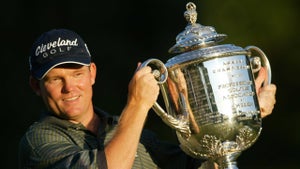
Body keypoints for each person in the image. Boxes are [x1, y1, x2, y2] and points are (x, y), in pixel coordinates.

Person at [18, 28, 277, 169]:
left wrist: (241, 111)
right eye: (55, 79)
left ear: (92, 74)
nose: (69, 87)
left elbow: (204, 163)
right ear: (36, 86)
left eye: (76, 74)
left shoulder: (132, 133)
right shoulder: (38, 141)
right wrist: (138, 103)